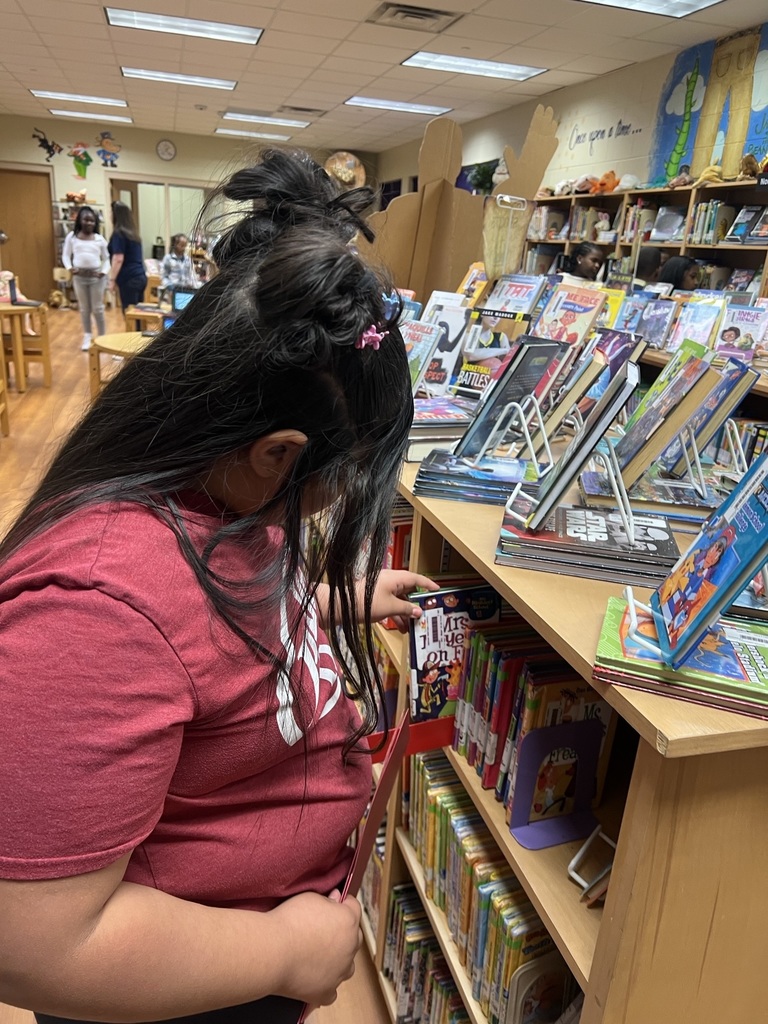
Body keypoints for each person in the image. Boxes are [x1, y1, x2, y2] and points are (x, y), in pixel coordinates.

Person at [0, 148, 437, 1024]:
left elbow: (204, 650)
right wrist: (283, 951)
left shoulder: (225, 501)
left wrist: (320, 604)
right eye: (344, 475)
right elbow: (36, 945)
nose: (341, 498)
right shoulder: (93, 611)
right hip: (188, 988)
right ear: (277, 452)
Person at [62, 205, 110, 350]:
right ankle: (87, 336)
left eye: (92, 221)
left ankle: (102, 338)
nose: (89, 223)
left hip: (96, 277)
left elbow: (107, 258)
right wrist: (69, 268)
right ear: (80, 221)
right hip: (79, 277)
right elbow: (65, 255)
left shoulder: (99, 239)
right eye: (86, 220)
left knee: (98, 308)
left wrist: (104, 271)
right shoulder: (72, 237)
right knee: (84, 308)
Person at [108, 200, 148, 311]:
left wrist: (112, 280)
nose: (110, 215)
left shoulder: (119, 234)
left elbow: (118, 259)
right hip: (140, 276)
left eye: (111, 212)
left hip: (129, 278)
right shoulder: (133, 234)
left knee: (130, 313)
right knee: (139, 312)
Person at [160, 233, 200, 297]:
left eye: (185, 246)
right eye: (181, 245)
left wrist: (195, 287)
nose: (184, 248)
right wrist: (169, 286)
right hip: (173, 290)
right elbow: (164, 277)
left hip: (186, 291)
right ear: (175, 245)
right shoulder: (168, 258)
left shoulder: (188, 259)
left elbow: (192, 275)